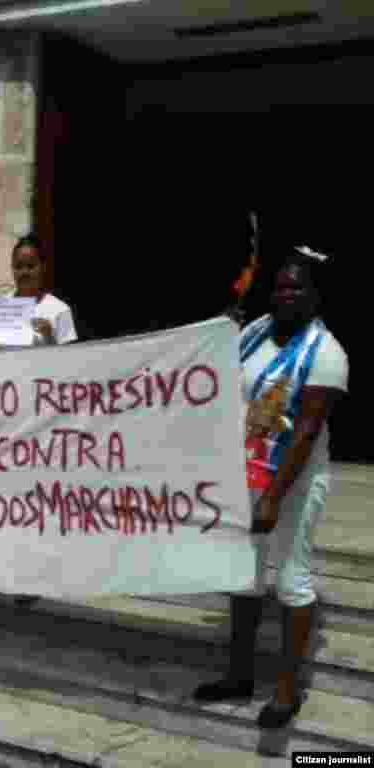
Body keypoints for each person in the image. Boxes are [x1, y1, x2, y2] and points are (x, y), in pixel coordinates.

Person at [194, 247, 348, 729]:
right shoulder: (256, 332)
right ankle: (239, 675)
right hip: (247, 472)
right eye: (281, 285)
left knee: (291, 581)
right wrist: (216, 334)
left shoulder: (327, 355)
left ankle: (286, 692)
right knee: (244, 576)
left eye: (297, 286)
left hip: (294, 481)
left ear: (317, 295)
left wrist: (273, 498)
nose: (286, 293)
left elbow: (303, 433)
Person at [0, 232, 77, 351]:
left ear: (43, 267)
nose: (24, 272)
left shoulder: (60, 310)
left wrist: (49, 337)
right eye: (18, 266)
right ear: (12, 268)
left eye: (31, 266)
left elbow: (70, 362)